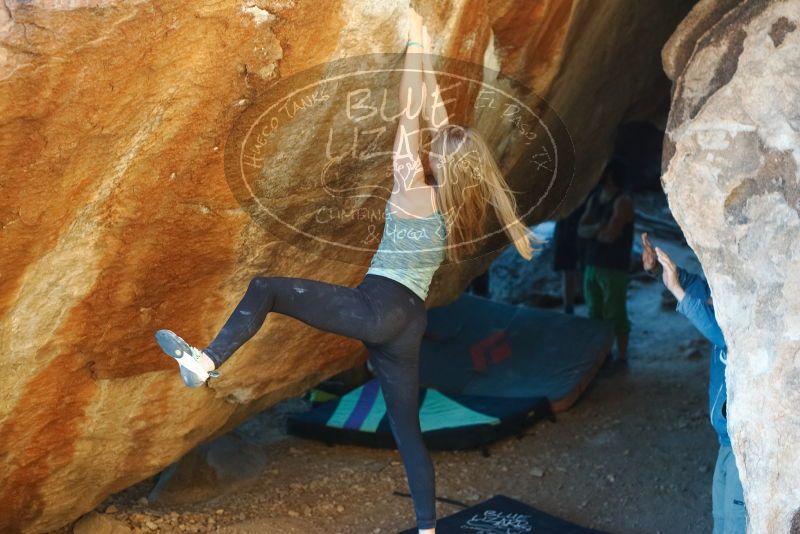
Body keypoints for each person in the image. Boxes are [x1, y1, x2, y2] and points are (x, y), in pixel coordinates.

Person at [153, 9, 536, 533]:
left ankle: (208, 359)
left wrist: (414, 51)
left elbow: (411, 114)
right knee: (406, 430)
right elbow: (438, 122)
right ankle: (427, 528)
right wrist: (424, 51)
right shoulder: (454, 202)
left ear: (439, 160)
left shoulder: (411, 185)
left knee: (265, 287)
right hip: (409, 322)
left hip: (378, 309)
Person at [641, 233, 746, 534]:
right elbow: (699, 287)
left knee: (736, 524)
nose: (711, 298)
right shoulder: (721, 295)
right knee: (722, 518)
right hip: (726, 442)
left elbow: (722, 335)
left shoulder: (741, 323)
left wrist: (677, 291)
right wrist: (657, 270)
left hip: (741, 446)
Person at [577, 159, 634, 363]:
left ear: (609, 175)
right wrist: (599, 228)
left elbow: (609, 235)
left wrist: (594, 230)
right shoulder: (595, 199)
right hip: (592, 264)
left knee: (615, 312)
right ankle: (604, 354)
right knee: (595, 311)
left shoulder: (622, 202)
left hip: (613, 267)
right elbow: (581, 230)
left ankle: (622, 356)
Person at [552, 200, 587, 314]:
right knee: (569, 271)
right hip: (567, 230)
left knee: (574, 271)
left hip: (575, 229)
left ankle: (572, 306)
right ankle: (569, 307)